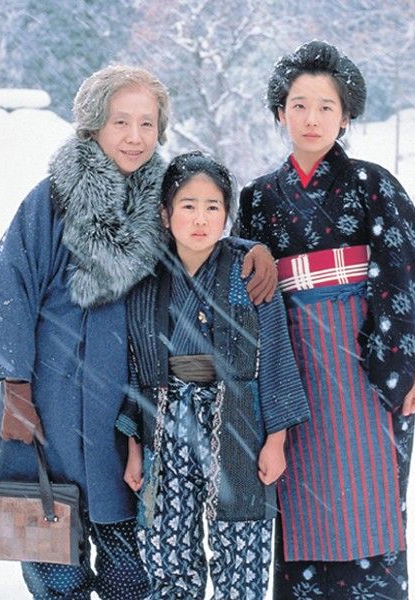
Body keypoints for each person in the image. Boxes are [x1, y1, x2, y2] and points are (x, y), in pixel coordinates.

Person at [0, 65, 276, 600]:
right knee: (52, 553)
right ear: (94, 125)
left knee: (131, 563)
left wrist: (248, 249)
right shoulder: (50, 200)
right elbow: (7, 293)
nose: (135, 136)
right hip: (50, 397)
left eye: (147, 122)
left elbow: (198, 237)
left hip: (129, 402)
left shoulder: (158, 201)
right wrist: (15, 388)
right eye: (121, 122)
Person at [233, 41, 415, 599]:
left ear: (347, 114)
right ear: (280, 111)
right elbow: (248, 294)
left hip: (369, 367)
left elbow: (410, 277)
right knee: (299, 499)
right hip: (296, 371)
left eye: (326, 106)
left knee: (373, 501)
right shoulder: (258, 198)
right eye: (299, 104)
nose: (312, 118)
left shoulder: (373, 185)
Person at [116, 151, 309, 599]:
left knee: (241, 544)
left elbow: (276, 352)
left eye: (212, 207)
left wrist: (276, 439)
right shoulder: (146, 278)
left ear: (227, 215)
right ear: (165, 214)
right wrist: (133, 446)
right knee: (165, 543)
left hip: (237, 416)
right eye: (188, 205)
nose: (200, 219)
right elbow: (132, 364)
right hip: (163, 417)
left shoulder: (247, 269)